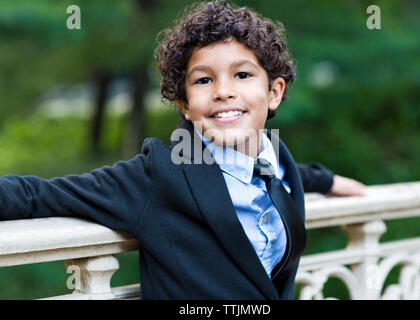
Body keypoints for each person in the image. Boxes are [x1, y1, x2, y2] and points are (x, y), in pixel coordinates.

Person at [0, 1, 366, 299]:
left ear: (274, 93)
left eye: (242, 75)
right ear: (186, 105)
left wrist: (327, 179)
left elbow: (276, 172)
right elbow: (38, 196)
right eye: (204, 80)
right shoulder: (158, 174)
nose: (223, 91)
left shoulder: (277, 164)